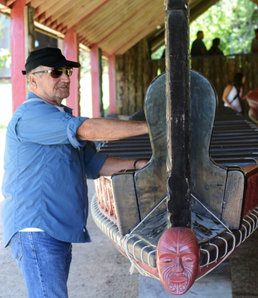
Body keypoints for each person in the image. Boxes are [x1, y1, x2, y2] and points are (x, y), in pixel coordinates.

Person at [1, 47, 149, 298]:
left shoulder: (59, 116)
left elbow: (94, 164)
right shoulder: (31, 115)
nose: (67, 78)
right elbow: (88, 130)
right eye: (56, 72)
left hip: (53, 229)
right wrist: (151, 127)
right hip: (37, 230)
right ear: (33, 79)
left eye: (67, 71)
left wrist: (141, 165)